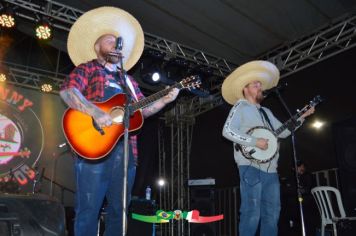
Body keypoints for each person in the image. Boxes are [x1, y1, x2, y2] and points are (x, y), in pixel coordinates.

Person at [59, 7, 179, 236]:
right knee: (88, 210)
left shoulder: (129, 81)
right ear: (97, 47)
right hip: (94, 149)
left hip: (126, 153)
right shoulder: (89, 68)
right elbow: (68, 91)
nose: (115, 44)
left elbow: (142, 111)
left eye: (117, 41)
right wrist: (95, 112)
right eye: (109, 40)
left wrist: (164, 100)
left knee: (119, 211)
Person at [221, 60, 315, 236]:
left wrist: (302, 117)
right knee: (251, 212)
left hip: (271, 170)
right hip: (250, 167)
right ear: (245, 89)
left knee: (272, 214)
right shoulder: (240, 106)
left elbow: (283, 132)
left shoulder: (266, 112)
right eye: (255, 84)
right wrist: (254, 142)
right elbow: (227, 131)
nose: (260, 87)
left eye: (260, 84)